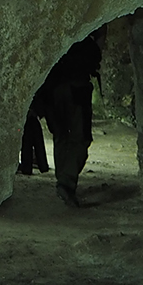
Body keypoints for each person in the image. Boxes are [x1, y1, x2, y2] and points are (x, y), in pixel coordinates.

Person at [33, 31, 101, 206]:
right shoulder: (84, 42)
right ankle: (66, 182)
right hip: (75, 90)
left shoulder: (56, 38)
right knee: (79, 139)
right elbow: (93, 55)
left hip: (53, 92)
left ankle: (64, 181)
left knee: (62, 136)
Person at [18, 106, 49, 175]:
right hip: (32, 115)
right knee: (36, 143)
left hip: (28, 116)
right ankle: (42, 165)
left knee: (27, 144)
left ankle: (28, 167)